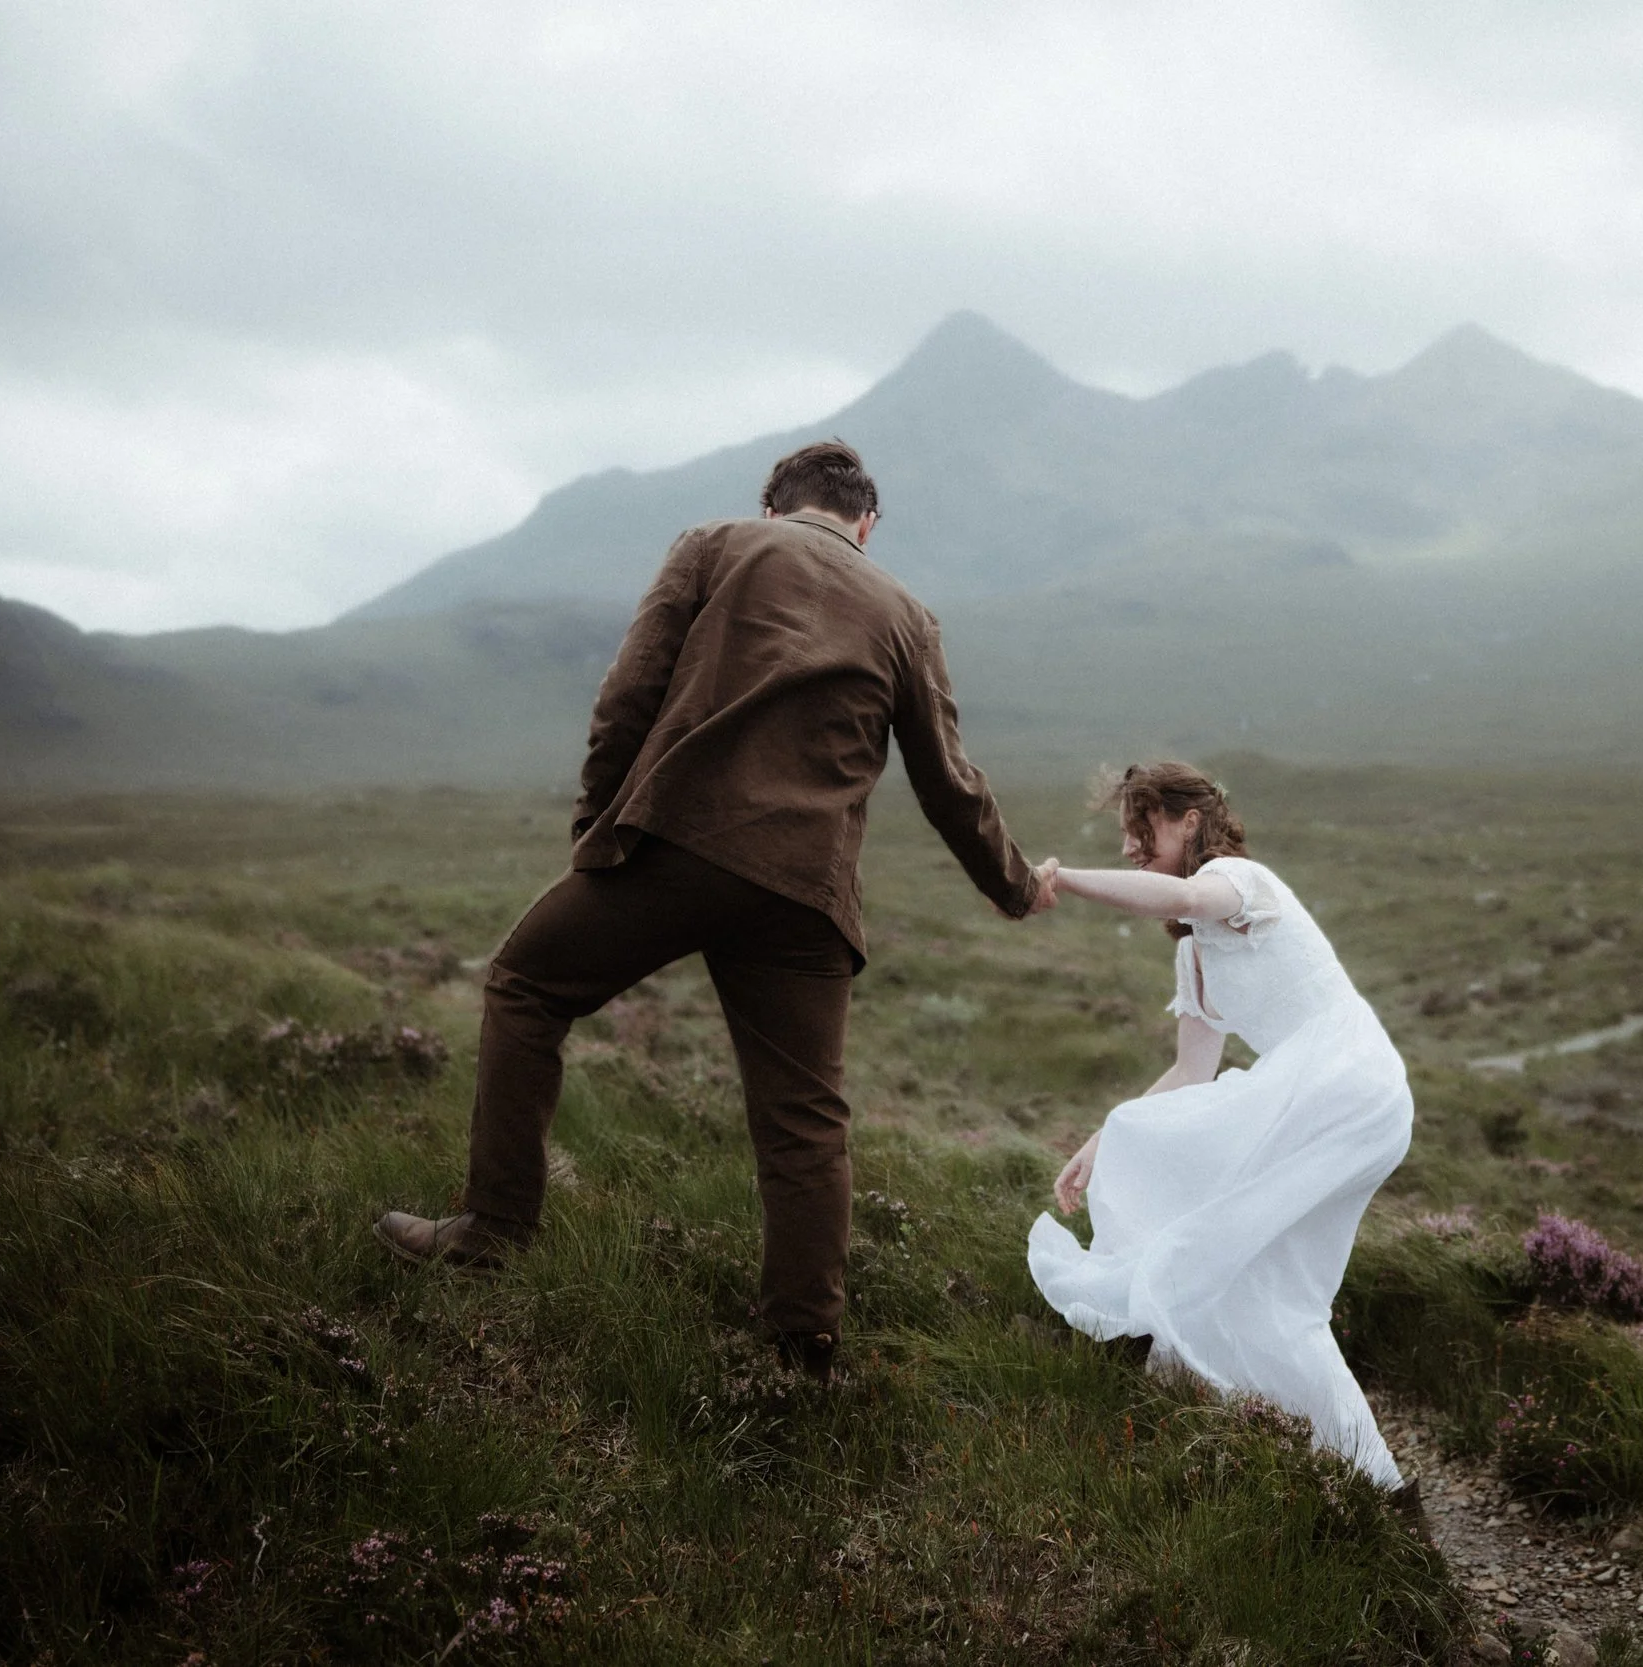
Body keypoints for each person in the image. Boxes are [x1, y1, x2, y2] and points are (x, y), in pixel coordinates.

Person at [376, 440, 1057, 1381]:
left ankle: (494, 1234)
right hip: (807, 895)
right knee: (805, 1120)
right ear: (866, 524)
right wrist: (1016, 885)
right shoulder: (908, 615)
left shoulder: (715, 544)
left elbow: (629, 694)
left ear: (775, 508)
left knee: (526, 985)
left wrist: (599, 832)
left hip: (681, 844)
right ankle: (802, 1349)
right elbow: (949, 782)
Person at [1026, 763, 1412, 1488]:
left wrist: (1065, 878)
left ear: (1190, 821)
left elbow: (1177, 893)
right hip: (1322, 1102)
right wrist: (1101, 1141)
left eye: (1144, 828)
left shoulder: (1242, 882)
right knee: (1262, 1282)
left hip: (1348, 1085)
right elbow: (1188, 1075)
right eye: (1125, 837)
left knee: (1225, 1254)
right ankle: (1362, 1479)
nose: (1132, 848)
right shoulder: (1194, 952)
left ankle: (1326, 1461)